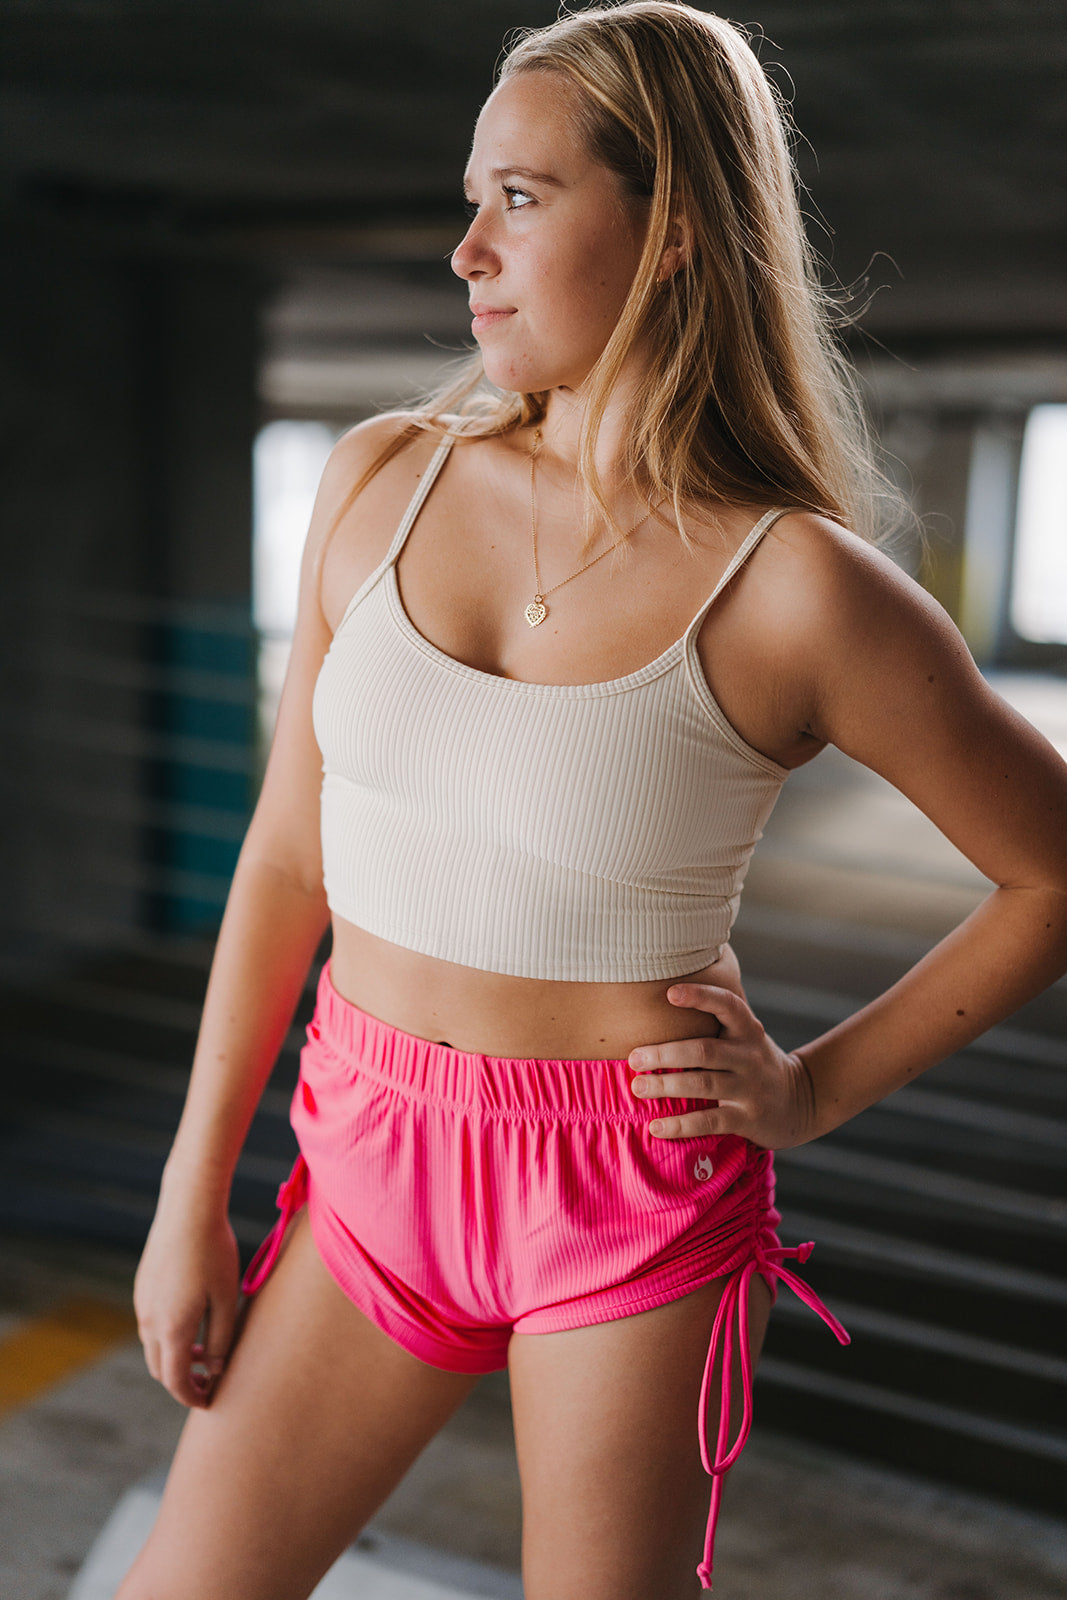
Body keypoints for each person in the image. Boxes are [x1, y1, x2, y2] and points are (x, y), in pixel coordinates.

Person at [120, 4, 1067, 1597]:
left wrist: (814, 1092)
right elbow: (289, 856)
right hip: (364, 1164)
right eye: (473, 196)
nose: (466, 250)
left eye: (524, 196)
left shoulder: (798, 596)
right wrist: (188, 1191)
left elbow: (1051, 869)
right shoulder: (375, 482)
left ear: (676, 228)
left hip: (627, 1204)